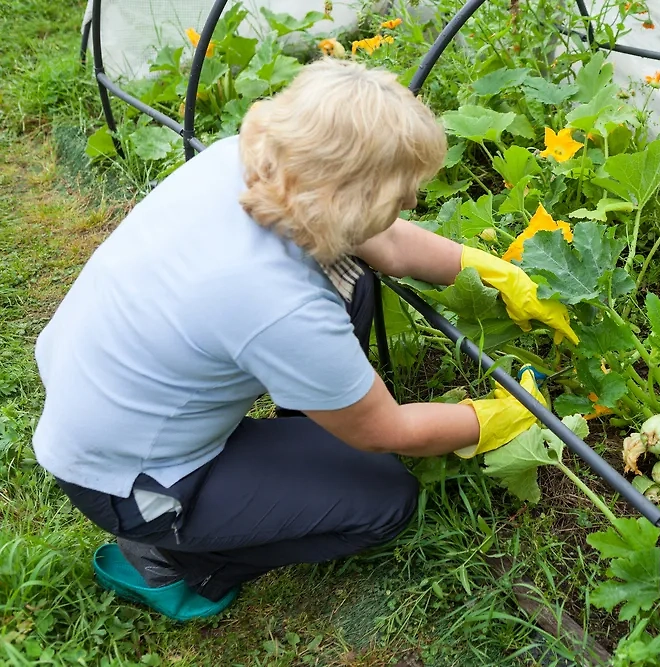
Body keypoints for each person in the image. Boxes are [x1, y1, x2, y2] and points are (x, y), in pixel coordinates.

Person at [31, 59, 578, 621]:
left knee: (354, 280)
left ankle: (298, 457)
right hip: (132, 478)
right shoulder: (273, 298)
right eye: (401, 192)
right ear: (348, 200)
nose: (413, 201)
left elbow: (386, 244)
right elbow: (383, 430)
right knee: (384, 498)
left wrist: (496, 272)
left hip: (113, 400)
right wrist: (502, 416)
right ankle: (170, 560)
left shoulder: (252, 166)